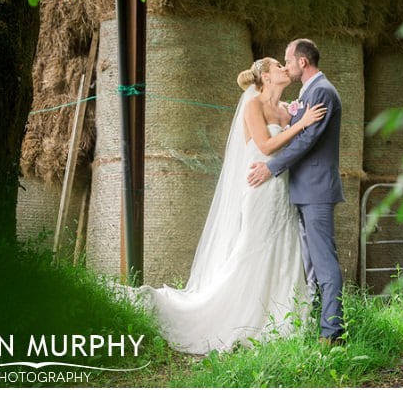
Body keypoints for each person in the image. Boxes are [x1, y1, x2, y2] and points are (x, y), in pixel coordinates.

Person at [125, 57, 326, 354]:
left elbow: (295, 148)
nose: (285, 68)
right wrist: (303, 125)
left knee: (286, 248)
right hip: (260, 188)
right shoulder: (253, 105)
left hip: (284, 189)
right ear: (266, 77)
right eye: (278, 66)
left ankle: (283, 318)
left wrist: (302, 120)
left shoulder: (287, 109)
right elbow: (266, 146)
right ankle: (237, 315)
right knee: (254, 247)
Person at [247, 38, 346, 345]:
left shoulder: (322, 92)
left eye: (287, 61)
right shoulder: (308, 93)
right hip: (302, 190)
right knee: (311, 264)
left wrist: (271, 167)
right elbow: (295, 129)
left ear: (302, 62)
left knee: (324, 262)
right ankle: (316, 321)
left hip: (316, 190)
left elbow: (306, 141)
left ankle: (332, 334)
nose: (286, 66)